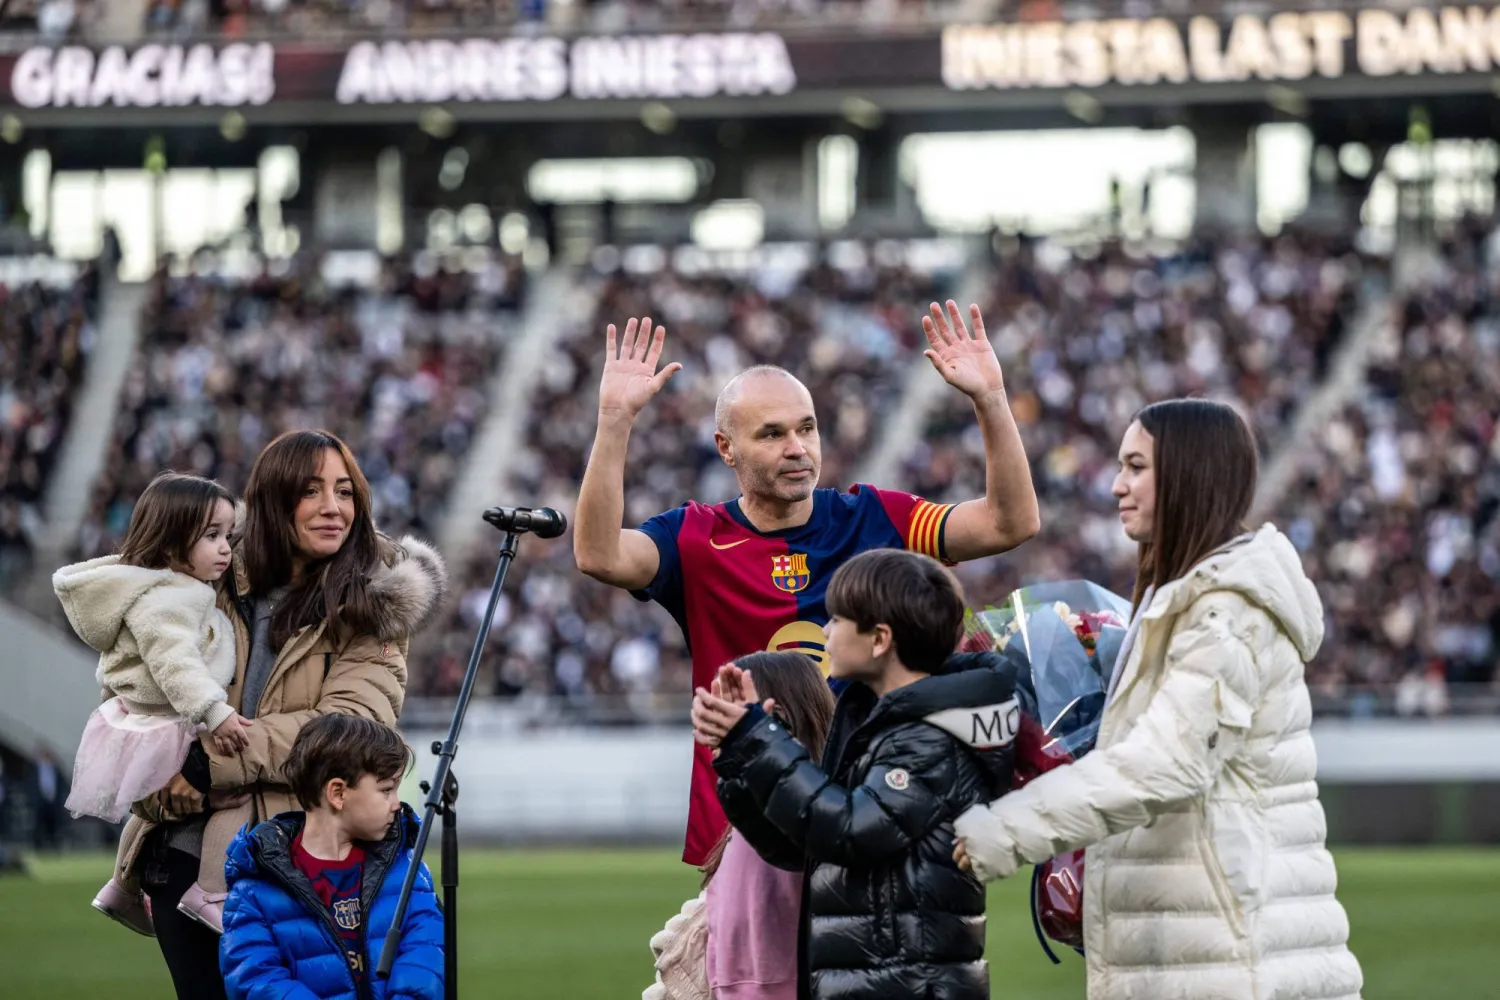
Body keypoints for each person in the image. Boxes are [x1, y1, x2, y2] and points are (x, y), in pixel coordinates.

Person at [575, 303, 1040, 865]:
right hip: (744, 829)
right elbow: (598, 553)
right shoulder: (695, 538)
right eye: (771, 434)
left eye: (807, 428)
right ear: (727, 449)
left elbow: (1009, 523)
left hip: (869, 811)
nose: (797, 447)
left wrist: (990, 400)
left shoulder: (876, 518)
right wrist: (614, 422)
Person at [952, 398, 1365, 1000]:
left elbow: (1165, 764)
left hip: (1232, 962)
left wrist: (1006, 829)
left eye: (1137, 466)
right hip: (1199, 950)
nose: (1117, 484)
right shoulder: (1182, 599)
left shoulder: (1228, 612)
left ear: (1190, 474)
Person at [115, 429, 448, 1000]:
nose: (332, 508)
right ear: (272, 501)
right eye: (311, 491)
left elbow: (347, 735)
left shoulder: (376, 602)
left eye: (345, 492)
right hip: (185, 857)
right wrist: (166, 781)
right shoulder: (206, 579)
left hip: (301, 869)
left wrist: (203, 766)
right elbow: (135, 708)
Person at [691, 549, 1021, 1000]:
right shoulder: (878, 723)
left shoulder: (927, 738)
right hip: (877, 980)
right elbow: (802, 848)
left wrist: (760, 740)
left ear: (879, 639)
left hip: (908, 986)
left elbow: (848, 830)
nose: (824, 632)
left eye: (837, 619)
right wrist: (739, 755)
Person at [52, 473, 253, 938]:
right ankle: (208, 891)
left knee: (147, 815)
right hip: (170, 722)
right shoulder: (166, 599)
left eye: (228, 535)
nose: (226, 548)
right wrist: (215, 711)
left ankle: (122, 886)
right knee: (235, 798)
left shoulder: (168, 590)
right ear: (169, 542)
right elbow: (175, 663)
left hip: (149, 720)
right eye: (211, 536)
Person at [644, 651, 835, 1000]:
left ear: (779, 715)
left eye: (730, 709)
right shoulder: (752, 798)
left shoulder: (802, 805)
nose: (712, 728)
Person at [220, 713, 443, 1000]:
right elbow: (255, 980)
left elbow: (426, 954)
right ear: (338, 793)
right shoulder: (255, 887)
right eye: (386, 790)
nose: (397, 804)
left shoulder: (406, 870)